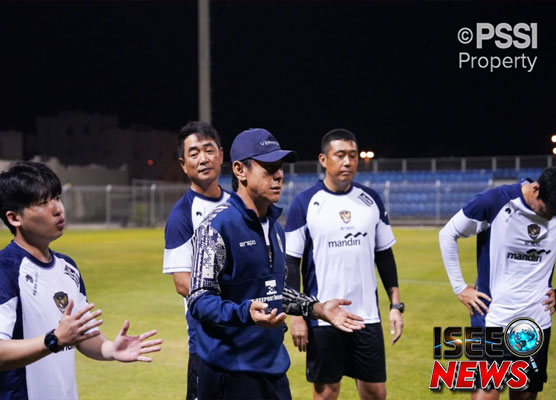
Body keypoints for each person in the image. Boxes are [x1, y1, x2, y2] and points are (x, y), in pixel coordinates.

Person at [188, 128, 365, 400]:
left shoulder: (275, 228)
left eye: (280, 168)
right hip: (229, 374)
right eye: (269, 167)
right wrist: (246, 312)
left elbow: (274, 292)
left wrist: (315, 308)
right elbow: (199, 299)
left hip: (273, 370)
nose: (279, 175)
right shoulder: (215, 227)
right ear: (239, 170)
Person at [0, 161, 162, 400]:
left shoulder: (68, 268)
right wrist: (53, 339)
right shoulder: (6, 269)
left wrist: (109, 349)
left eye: (57, 197)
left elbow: (84, 336)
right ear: (14, 218)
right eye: (44, 203)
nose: (58, 209)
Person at [285, 128, 404, 400]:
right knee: (326, 392)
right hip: (324, 315)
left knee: (376, 392)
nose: (348, 162)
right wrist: (296, 316)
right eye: (340, 155)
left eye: (352, 155)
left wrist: (395, 305)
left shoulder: (371, 199)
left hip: (366, 315)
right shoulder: (304, 203)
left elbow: (384, 255)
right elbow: (291, 264)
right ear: (323, 159)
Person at [439, 167, 556, 400]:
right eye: (547, 210)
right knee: (485, 394)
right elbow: (448, 234)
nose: (550, 217)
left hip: (536, 320)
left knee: (525, 395)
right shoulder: (495, 201)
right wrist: (460, 288)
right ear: (536, 189)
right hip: (490, 318)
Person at [162, 121, 229, 399]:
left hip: (246, 335)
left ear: (221, 156)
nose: (203, 159)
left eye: (209, 150)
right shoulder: (182, 214)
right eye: (194, 153)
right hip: (206, 341)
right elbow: (182, 283)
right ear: (183, 163)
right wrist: (233, 307)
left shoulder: (237, 203)